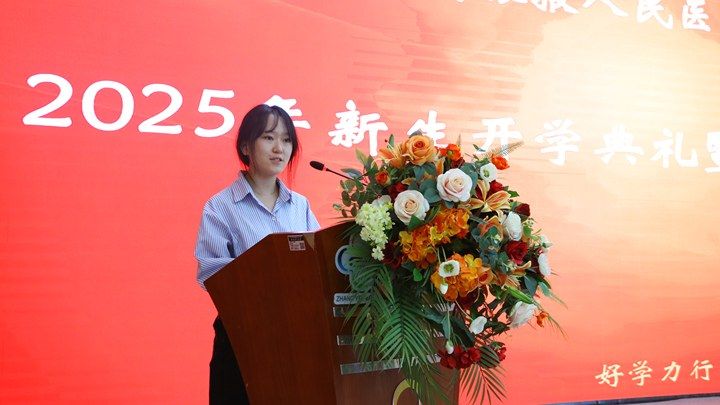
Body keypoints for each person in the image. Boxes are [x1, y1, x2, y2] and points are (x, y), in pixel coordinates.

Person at [194, 104, 321, 404]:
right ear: (245, 146)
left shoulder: (300, 206)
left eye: (286, 140)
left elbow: (320, 263)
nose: (279, 148)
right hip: (243, 339)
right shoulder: (220, 207)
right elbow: (211, 274)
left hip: (296, 338)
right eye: (268, 137)